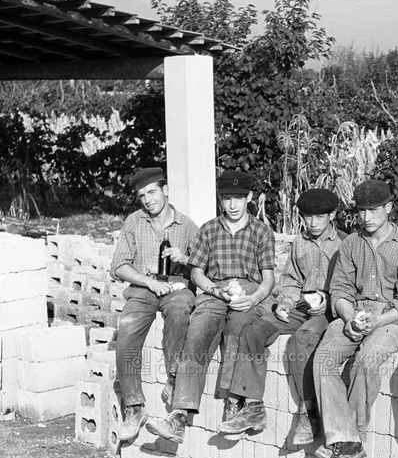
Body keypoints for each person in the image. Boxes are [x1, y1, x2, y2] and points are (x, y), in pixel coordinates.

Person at [146, 170, 275, 443]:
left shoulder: (262, 232)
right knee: (197, 335)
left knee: (238, 331)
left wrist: (253, 299)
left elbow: (268, 279)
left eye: (238, 198)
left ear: (249, 198)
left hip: (248, 292)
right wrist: (216, 290)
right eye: (227, 198)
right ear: (221, 199)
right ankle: (179, 415)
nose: (232, 205)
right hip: (214, 293)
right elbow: (196, 274)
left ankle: (233, 404)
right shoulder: (208, 230)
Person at [217, 188, 345, 443]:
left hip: (330, 309)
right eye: (308, 217)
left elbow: (349, 286)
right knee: (254, 331)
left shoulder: (345, 243)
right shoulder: (300, 242)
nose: (313, 223)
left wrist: (328, 301)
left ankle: (309, 414)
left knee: (303, 339)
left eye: (320, 217)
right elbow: (290, 280)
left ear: (332, 215)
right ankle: (253, 408)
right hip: (301, 305)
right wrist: (285, 303)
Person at [312, 179, 398, 458]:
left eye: (373, 211)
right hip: (355, 314)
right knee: (324, 360)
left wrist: (378, 321)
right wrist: (349, 316)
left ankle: (352, 435)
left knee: (367, 359)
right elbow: (341, 290)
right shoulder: (350, 244)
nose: (366, 218)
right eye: (361, 211)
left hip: (390, 320)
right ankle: (345, 439)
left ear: (388, 208)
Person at [110, 166, 199, 443]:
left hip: (175, 286)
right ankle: (134, 408)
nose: (148, 200)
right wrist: (148, 281)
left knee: (180, 311)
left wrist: (184, 258)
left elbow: (204, 265)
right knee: (126, 330)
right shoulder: (134, 222)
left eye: (152, 192)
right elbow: (119, 266)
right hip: (143, 287)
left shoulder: (187, 226)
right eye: (142, 196)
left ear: (165, 191)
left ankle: (173, 379)